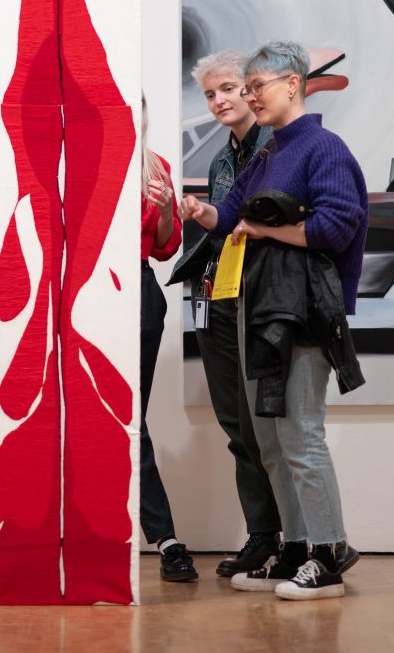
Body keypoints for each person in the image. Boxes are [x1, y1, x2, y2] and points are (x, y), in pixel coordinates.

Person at [181, 41, 366, 601]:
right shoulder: (267, 155)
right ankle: (294, 546)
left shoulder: (324, 148)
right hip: (257, 305)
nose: (249, 95)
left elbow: (336, 228)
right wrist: (197, 209)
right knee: (268, 437)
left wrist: (265, 232)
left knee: (300, 434)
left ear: (293, 84)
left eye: (257, 85)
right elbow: (229, 216)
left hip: (303, 310)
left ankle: (329, 551)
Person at [172, 52, 282, 579]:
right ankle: (262, 536)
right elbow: (224, 230)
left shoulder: (277, 147)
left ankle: (297, 541)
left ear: (253, 91)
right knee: (237, 426)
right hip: (219, 298)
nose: (219, 100)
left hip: (262, 301)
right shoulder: (220, 161)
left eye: (229, 89)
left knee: (271, 427)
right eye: (211, 93)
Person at [139, 95, 198, 582]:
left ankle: (165, 539)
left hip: (136, 293)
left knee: (128, 419)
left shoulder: (152, 165)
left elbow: (165, 247)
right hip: (80, 290)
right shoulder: (71, 157)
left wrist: (161, 211)